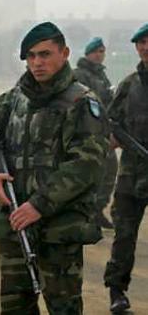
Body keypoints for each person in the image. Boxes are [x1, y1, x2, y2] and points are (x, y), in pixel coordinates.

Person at [0, 22, 109, 314]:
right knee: (15, 308)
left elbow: (87, 164)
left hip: (59, 229)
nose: (37, 63)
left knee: (63, 308)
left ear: (64, 53)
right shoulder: (13, 100)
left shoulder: (81, 103)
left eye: (44, 54)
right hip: (15, 225)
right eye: (30, 56)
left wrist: (39, 204)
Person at [103, 23, 148, 314]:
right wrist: (113, 140)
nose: (144, 47)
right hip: (132, 175)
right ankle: (117, 292)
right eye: (140, 43)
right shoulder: (129, 85)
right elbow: (110, 126)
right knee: (124, 236)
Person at [74, 37, 117, 229]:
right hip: (87, 133)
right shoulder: (80, 74)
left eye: (102, 51)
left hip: (104, 131)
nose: (100, 55)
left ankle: (97, 210)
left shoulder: (101, 76)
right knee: (86, 175)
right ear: (88, 54)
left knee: (109, 173)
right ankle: (83, 213)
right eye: (96, 52)